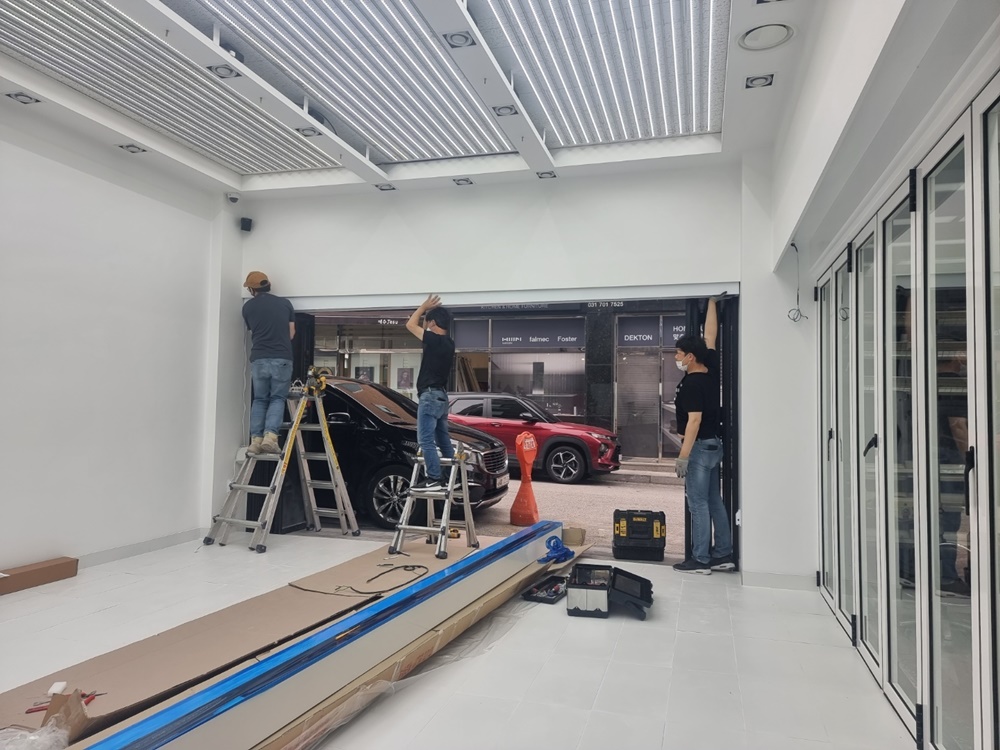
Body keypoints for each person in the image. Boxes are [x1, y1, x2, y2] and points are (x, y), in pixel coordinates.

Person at [672, 298, 733, 574]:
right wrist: (712, 302)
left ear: (690, 357)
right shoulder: (710, 367)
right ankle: (723, 554)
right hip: (713, 445)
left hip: (698, 447)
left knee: (697, 504)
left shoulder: (693, 385)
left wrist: (683, 456)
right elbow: (710, 335)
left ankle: (700, 559)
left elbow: (694, 421)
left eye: (678, 353)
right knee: (714, 501)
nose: (676, 358)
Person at [242, 271, 295, 455]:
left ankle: (255, 441)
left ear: (252, 289)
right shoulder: (285, 304)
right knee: (277, 398)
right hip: (281, 358)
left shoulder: (247, 308)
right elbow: (291, 333)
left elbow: (253, 331)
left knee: (260, 399)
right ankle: (270, 438)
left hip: (259, 359)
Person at [405, 295, 455, 490]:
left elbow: (410, 325)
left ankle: (434, 478)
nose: (424, 325)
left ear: (432, 323)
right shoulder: (449, 343)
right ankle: (452, 477)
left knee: (425, 440)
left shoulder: (434, 340)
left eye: (426, 322)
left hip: (430, 396)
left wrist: (423, 307)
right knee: (443, 440)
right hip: (441, 397)